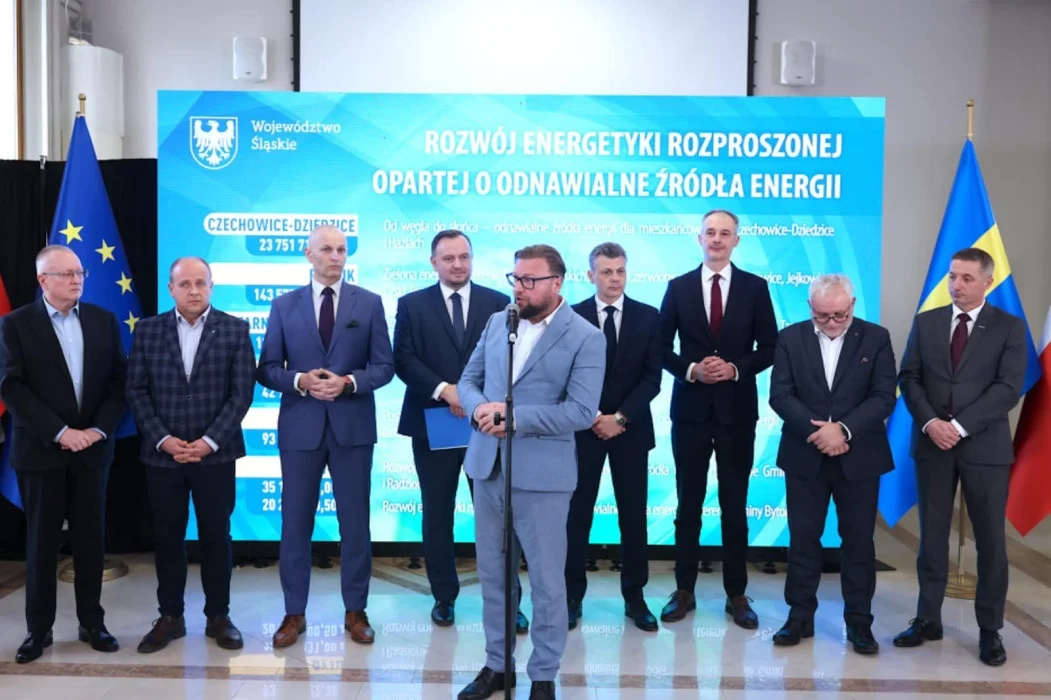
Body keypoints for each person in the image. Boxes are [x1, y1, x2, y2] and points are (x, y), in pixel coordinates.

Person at [455, 245, 604, 700]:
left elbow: (581, 411)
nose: (518, 288)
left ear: (557, 283)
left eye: (529, 280)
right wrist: (479, 409)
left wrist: (514, 417)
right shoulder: (497, 322)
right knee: (493, 576)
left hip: (543, 477)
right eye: (515, 278)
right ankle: (498, 665)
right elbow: (468, 380)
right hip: (488, 468)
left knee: (546, 582)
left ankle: (543, 675)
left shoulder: (585, 336)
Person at [257, 225, 395, 647]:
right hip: (301, 429)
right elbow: (267, 368)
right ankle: (293, 613)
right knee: (295, 522)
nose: (336, 256)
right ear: (309, 254)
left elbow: (384, 366)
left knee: (355, 523)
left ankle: (356, 610)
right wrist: (300, 380)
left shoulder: (368, 303)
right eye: (327, 249)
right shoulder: (284, 305)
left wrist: (349, 383)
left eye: (342, 249)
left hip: (353, 429)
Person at [894, 247, 1026, 666]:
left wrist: (961, 426)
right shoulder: (927, 322)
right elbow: (909, 377)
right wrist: (932, 423)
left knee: (991, 542)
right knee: (931, 537)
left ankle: (990, 630)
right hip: (932, 444)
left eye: (967, 278)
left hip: (984, 447)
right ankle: (927, 619)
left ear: (988, 282)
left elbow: (1008, 388)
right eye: (952, 276)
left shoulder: (1009, 327)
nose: (957, 285)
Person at [393, 230, 530, 631]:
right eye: (449, 258)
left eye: (464, 257)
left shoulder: (499, 303)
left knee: (498, 516)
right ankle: (444, 596)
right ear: (433, 262)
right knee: (438, 512)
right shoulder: (412, 304)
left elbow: (511, 359)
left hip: (485, 422)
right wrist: (445, 390)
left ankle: (509, 602)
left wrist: (471, 399)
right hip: (433, 420)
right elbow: (404, 359)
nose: (457, 264)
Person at [0, 245, 125, 663]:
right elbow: (11, 387)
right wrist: (60, 433)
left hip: (92, 449)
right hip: (41, 451)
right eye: (66, 274)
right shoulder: (15, 325)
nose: (76, 280)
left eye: (79, 273)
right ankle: (39, 630)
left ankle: (92, 622)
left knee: (91, 540)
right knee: (41, 542)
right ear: (43, 281)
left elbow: (118, 383)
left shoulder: (103, 320)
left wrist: (96, 430)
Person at [125, 256, 255, 653]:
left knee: (217, 536)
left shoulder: (235, 329)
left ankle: (219, 616)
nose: (194, 290)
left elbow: (241, 394)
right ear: (171, 289)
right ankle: (171, 617)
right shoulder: (148, 331)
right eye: (185, 284)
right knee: (167, 537)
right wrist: (163, 439)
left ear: (212, 287)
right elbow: (136, 391)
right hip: (163, 457)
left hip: (215, 456)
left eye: (201, 283)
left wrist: (209, 441)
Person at [658, 209, 778, 628]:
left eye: (725, 233)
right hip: (690, 412)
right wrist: (692, 370)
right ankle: (683, 590)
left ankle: (736, 594)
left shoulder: (755, 287)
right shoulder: (678, 287)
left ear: (736, 241)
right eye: (710, 232)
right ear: (700, 238)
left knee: (734, 505)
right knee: (688, 504)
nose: (716, 239)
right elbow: (660, 348)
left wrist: (736, 368)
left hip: (736, 412)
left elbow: (771, 347)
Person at [768, 273, 896, 654]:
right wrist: (820, 433)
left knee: (858, 542)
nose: (832, 323)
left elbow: (884, 396)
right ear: (810, 308)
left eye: (840, 315)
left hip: (859, 457)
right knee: (803, 539)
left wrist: (842, 430)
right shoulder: (790, 338)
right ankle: (799, 617)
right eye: (822, 316)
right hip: (804, 453)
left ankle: (859, 622)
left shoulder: (876, 337)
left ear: (852, 306)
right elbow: (780, 395)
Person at [565, 242, 662, 632]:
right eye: (606, 272)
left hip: (631, 430)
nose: (615, 278)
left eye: (620, 270)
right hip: (583, 430)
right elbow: (564, 376)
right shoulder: (571, 317)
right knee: (576, 516)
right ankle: (571, 597)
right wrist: (593, 417)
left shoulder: (648, 316)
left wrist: (619, 418)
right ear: (591, 275)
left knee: (633, 516)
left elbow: (652, 379)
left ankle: (635, 598)